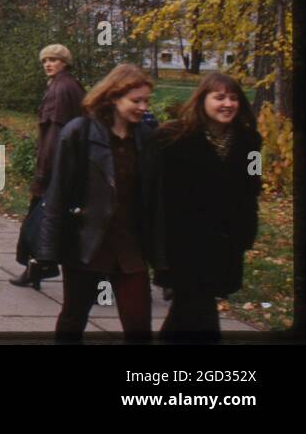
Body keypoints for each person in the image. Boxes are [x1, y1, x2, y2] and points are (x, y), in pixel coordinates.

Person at [35, 63, 158, 343]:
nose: (143, 107)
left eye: (146, 101)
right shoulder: (80, 133)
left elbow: (154, 198)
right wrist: (47, 249)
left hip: (130, 248)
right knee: (74, 318)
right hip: (86, 243)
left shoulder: (146, 139)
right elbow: (57, 194)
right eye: (136, 101)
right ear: (114, 97)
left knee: (139, 324)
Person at [154, 73, 261, 342]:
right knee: (197, 307)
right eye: (219, 97)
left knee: (189, 310)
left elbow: (252, 185)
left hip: (225, 242)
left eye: (233, 98)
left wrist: (246, 231)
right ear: (202, 100)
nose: (228, 104)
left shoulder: (250, 142)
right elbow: (157, 190)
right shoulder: (175, 137)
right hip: (183, 242)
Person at [11, 44, 86, 288]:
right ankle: (37, 269)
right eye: (45, 60)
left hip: (56, 168)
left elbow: (55, 135)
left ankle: (40, 268)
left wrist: (44, 173)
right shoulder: (66, 85)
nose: (48, 64)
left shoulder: (61, 89)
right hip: (67, 166)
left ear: (65, 63)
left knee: (42, 221)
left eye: (54, 60)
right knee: (49, 221)